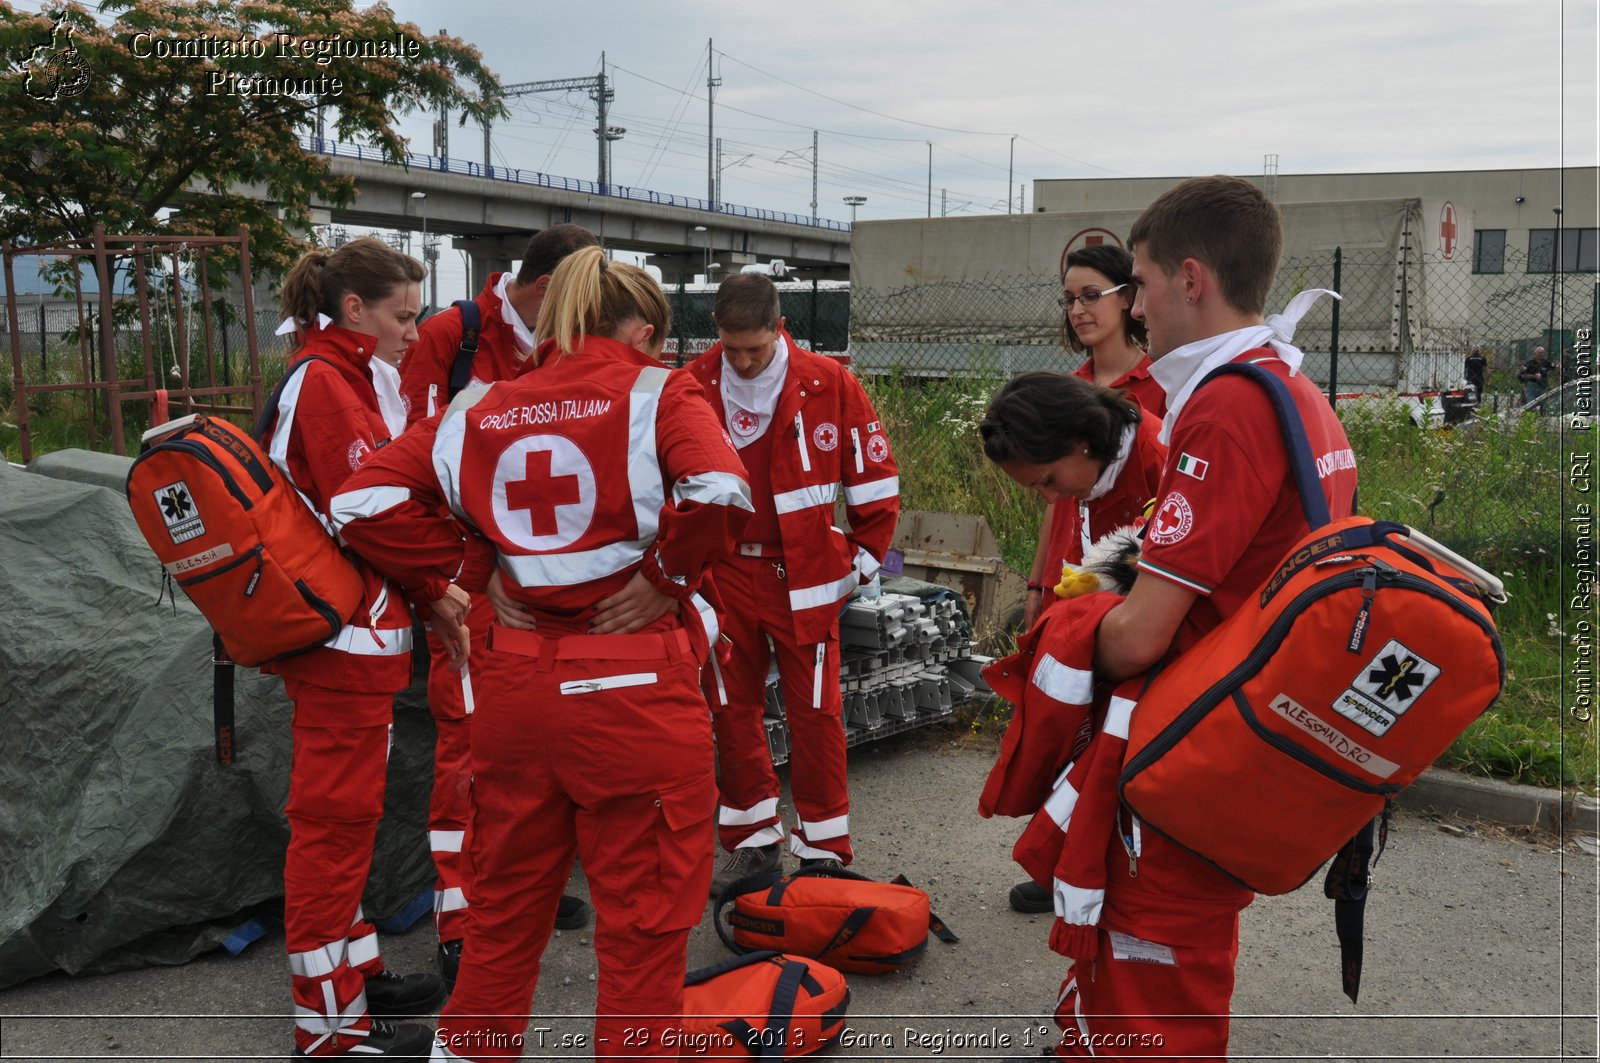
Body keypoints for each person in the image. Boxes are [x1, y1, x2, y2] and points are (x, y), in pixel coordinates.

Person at [331, 247, 751, 1060]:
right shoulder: (659, 393)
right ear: (643, 327)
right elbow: (722, 491)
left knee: (499, 922)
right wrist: (666, 576)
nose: (660, 353)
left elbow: (361, 501)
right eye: (656, 337)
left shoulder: (479, 405)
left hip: (514, 692)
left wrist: (466, 572)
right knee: (642, 935)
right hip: (631, 690)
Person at [1057, 176, 1357, 1060]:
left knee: (1155, 983)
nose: (1134, 308)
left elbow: (1146, 631)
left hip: (1195, 750)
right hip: (1240, 734)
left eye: (1138, 284)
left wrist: (1064, 636)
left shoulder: (1226, 405)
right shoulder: (1291, 388)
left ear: (1191, 278)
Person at [262, 237, 451, 1059]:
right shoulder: (328, 383)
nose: (415, 332)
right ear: (353, 311)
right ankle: (327, 1031)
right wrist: (442, 591)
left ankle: (354, 982)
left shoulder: (337, 374)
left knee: (348, 823)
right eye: (403, 316)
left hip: (347, 637)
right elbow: (367, 508)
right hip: (339, 643)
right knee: (333, 831)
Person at [398, 225, 601, 988]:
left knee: (535, 749)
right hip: (472, 588)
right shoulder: (456, 337)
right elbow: (413, 465)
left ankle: (527, 892)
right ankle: (460, 919)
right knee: (468, 748)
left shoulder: (564, 347)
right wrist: (441, 585)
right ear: (549, 287)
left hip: (546, 589)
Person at [682, 273, 900, 895]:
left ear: (780, 327)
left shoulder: (828, 383)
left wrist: (859, 567)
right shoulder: (692, 384)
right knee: (731, 710)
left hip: (802, 576)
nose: (744, 362)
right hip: (721, 576)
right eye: (732, 349)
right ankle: (753, 841)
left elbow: (876, 487)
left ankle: (824, 846)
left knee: (816, 714)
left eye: (754, 348)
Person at [976, 371, 1167, 917]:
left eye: (1050, 482)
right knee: (1073, 741)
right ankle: (1068, 855)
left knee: (1120, 751)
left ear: (1081, 442)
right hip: (1096, 620)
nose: (1050, 497)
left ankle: (1107, 868)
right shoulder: (1086, 462)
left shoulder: (1157, 455)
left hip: (1141, 633)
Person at [1023, 245, 1163, 633]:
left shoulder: (1163, 385)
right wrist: (1037, 583)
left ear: (1126, 297)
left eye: (1090, 296)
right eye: (1069, 300)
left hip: (1128, 582)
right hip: (1066, 575)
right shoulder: (1068, 390)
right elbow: (1057, 498)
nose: (1078, 310)